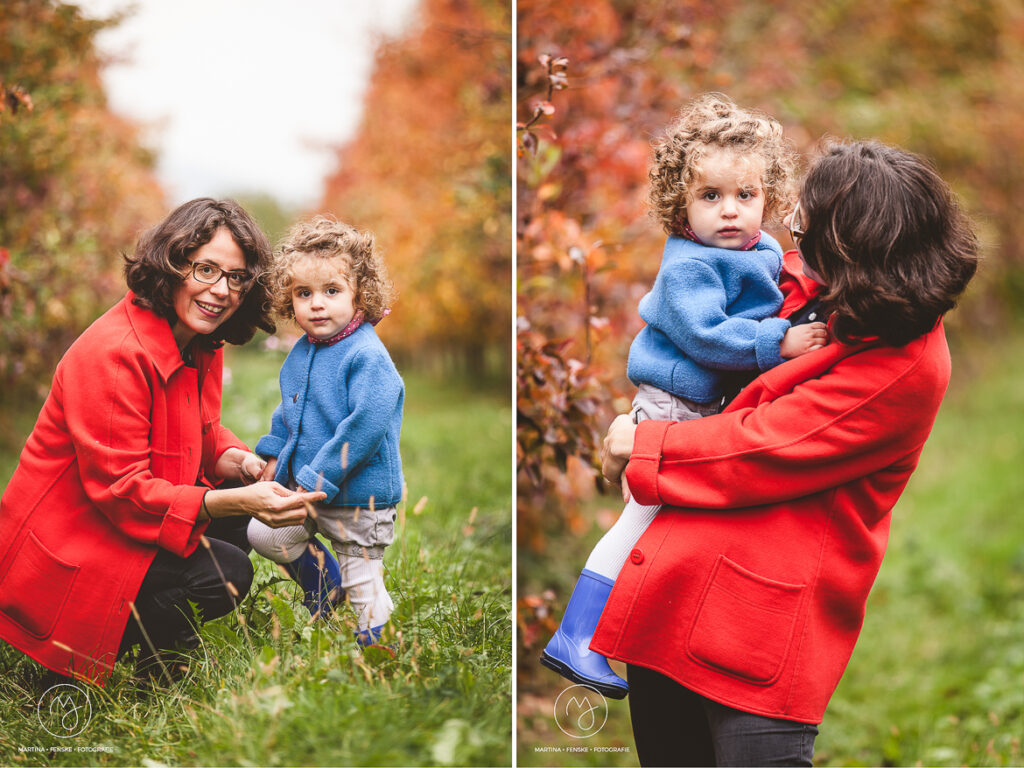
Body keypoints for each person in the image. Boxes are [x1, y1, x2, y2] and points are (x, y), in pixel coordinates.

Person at [596, 140, 978, 766]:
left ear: (857, 250)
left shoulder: (903, 362)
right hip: (673, 586)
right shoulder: (816, 284)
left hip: (751, 627)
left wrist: (645, 445)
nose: (794, 238)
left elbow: (770, 444)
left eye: (808, 226)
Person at [541, 94, 828, 698]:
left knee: (673, 530)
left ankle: (635, 635)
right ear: (681, 205)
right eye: (710, 197)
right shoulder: (688, 267)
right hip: (673, 399)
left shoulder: (762, 250)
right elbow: (707, 338)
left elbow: (779, 289)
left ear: (766, 199)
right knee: (643, 519)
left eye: (745, 197)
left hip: (703, 405)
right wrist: (779, 344)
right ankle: (578, 634)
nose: (730, 212)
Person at [0, 198, 328, 684]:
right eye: (206, 269)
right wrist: (232, 499)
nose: (221, 290)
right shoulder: (115, 354)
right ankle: (86, 660)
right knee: (227, 572)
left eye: (236, 277)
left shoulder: (196, 342)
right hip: (77, 538)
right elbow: (123, 491)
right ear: (173, 264)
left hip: (113, 518)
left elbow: (199, 429)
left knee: (236, 526)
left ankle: (160, 647)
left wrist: (237, 461)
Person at [246, 216, 404, 651]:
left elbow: (365, 427)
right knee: (265, 534)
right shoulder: (303, 352)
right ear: (288, 300)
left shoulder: (367, 356)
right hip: (308, 491)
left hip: (357, 498)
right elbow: (290, 409)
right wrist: (275, 453)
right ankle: (323, 586)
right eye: (304, 293)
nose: (317, 304)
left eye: (331, 291)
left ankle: (383, 657)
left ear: (359, 294)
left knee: (363, 580)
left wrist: (319, 477)